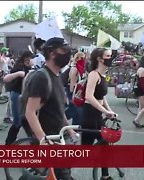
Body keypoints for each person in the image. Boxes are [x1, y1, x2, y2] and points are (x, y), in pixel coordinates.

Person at [25, 37, 76, 179]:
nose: (67, 54)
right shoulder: (41, 77)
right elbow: (30, 111)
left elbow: (59, 109)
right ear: (52, 53)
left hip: (58, 137)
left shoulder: (57, 76)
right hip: (49, 140)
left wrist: (70, 130)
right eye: (64, 50)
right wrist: (43, 139)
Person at [81, 48, 116, 180]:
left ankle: (105, 176)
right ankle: (61, 169)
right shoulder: (93, 75)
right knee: (84, 152)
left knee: (104, 144)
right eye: (108, 56)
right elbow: (89, 97)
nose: (110, 58)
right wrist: (105, 111)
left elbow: (102, 96)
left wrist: (109, 110)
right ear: (100, 59)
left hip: (97, 115)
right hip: (89, 115)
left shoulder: (102, 75)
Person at [4, 51, 33, 144]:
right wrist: (19, 74)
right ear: (24, 58)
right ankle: (8, 144)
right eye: (27, 59)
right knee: (18, 122)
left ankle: (34, 143)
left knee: (27, 120)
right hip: (17, 95)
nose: (29, 61)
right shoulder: (19, 66)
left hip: (26, 97)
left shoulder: (30, 67)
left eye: (30, 59)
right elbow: (6, 78)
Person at [65, 51, 85, 125]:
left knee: (75, 110)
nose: (83, 59)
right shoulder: (75, 68)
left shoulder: (78, 67)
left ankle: (74, 126)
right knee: (73, 109)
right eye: (82, 58)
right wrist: (71, 92)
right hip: (73, 89)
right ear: (77, 58)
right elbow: (72, 81)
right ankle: (61, 120)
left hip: (75, 89)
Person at [132, 56, 144, 128]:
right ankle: (136, 120)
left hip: (138, 89)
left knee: (141, 106)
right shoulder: (142, 70)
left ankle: (139, 121)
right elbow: (141, 82)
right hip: (141, 90)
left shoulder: (140, 69)